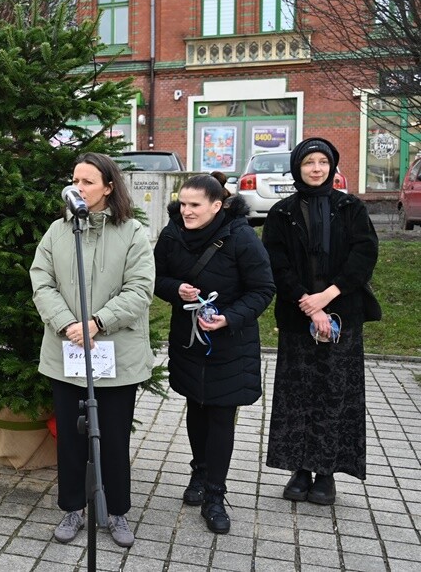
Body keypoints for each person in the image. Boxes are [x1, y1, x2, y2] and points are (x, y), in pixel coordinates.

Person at [30, 152, 155, 548]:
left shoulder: (132, 232)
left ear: (108, 187)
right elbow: (42, 282)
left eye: (87, 181)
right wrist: (68, 323)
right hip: (67, 350)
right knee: (71, 435)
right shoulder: (57, 232)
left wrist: (98, 322)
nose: (78, 188)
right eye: (74, 180)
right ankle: (72, 508)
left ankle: (116, 511)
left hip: (116, 353)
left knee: (113, 436)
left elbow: (140, 289)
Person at [153, 174, 275, 534]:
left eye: (195, 205)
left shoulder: (240, 237)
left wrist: (229, 318)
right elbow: (154, 277)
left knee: (221, 414)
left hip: (231, 343)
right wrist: (178, 290)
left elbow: (263, 288)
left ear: (217, 205)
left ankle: (216, 496)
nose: (186, 211)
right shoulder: (173, 234)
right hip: (189, 341)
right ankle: (199, 473)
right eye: (183, 204)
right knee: (196, 405)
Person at [263, 137, 379, 505]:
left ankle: (326, 473)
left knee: (335, 394)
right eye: (308, 162)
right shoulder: (282, 213)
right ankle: (299, 469)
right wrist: (309, 306)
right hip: (298, 318)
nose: (316, 168)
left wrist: (328, 297)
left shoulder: (351, 208)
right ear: (297, 167)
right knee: (297, 394)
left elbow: (364, 254)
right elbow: (276, 263)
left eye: (322, 162)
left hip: (344, 314)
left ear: (332, 166)